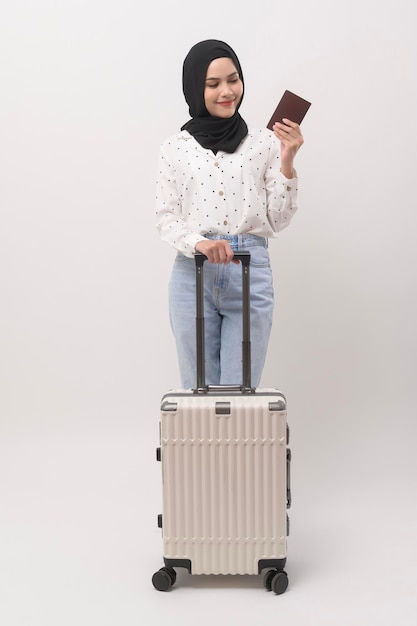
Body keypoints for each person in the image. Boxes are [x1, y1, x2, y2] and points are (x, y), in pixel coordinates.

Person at [155, 39, 304, 389]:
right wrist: (200, 243)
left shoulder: (264, 143)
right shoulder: (174, 148)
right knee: (198, 397)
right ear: (195, 87)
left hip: (249, 271)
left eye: (233, 79)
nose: (227, 91)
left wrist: (287, 162)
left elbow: (278, 220)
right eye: (213, 84)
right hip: (193, 274)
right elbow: (166, 216)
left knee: (241, 396)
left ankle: (240, 448)